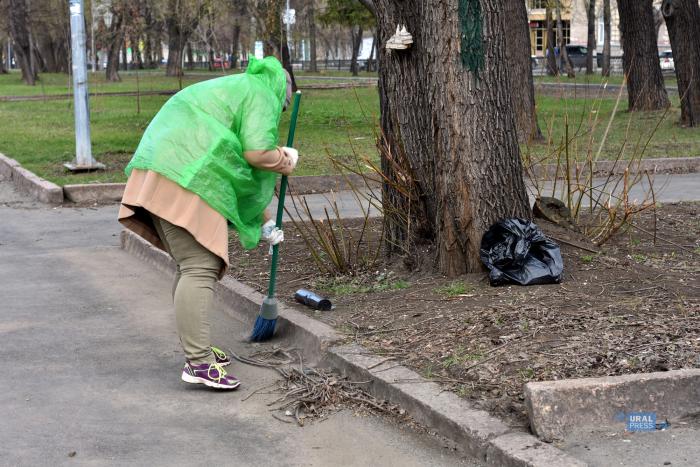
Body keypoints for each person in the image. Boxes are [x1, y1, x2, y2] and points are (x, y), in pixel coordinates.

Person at [118, 56, 298, 390]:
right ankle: (198, 362)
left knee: (191, 265)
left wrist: (264, 222)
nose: (279, 114)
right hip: (185, 173)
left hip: (169, 167)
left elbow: (234, 168)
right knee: (200, 264)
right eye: (283, 109)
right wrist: (284, 160)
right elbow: (257, 153)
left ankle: (195, 349)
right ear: (284, 94)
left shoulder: (237, 88)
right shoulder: (261, 93)